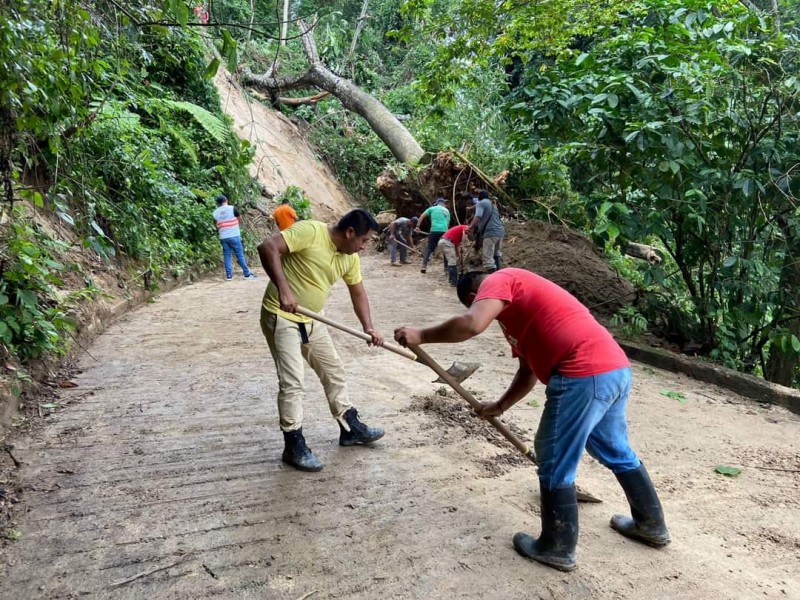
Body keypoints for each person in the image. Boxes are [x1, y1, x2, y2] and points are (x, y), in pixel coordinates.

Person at [393, 268, 670, 572]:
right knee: (614, 448)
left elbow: (472, 324)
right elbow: (527, 371)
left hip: (582, 373)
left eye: (478, 304)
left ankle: (557, 547)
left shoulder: (501, 279)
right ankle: (650, 524)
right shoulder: (518, 315)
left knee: (553, 456)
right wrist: (500, 405)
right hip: (611, 369)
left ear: (475, 297)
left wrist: (422, 334)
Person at [258, 208, 386, 472]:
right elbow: (267, 247)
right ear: (350, 232)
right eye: (364, 241)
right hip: (281, 316)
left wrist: (369, 327)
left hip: (314, 319)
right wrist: (284, 289)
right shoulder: (311, 231)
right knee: (293, 382)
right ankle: (293, 444)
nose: (364, 247)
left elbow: (358, 293)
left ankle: (350, 428)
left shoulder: (349, 257)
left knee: (333, 370)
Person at [213, 195, 257, 281]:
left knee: (227, 255)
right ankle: (246, 274)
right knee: (239, 254)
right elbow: (239, 218)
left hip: (223, 236)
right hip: (234, 235)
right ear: (226, 200)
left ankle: (229, 275)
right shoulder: (232, 208)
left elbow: (215, 224)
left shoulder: (215, 212)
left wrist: (221, 228)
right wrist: (234, 226)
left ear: (218, 203)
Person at [468, 190, 505, 272]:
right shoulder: (492, 204)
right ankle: (500, 274)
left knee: (488, 258)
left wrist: (470, 226)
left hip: (491, 232)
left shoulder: (481, 203)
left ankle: (493, 278)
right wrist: (470, 208)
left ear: (479, 197)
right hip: (500, 231)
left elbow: (478, 216)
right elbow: (477, 206)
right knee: (496, 254)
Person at [415, 198, 450, 274]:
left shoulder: (432, 208)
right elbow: (447, 223)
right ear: (443, 204)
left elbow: (422, 216)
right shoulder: (447, 211)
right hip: (444, 231)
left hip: (434, 230)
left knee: (429, 248)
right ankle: (446, 268)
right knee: (445, 249)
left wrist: (417, 226)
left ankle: (424, 266)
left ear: (437, 203)